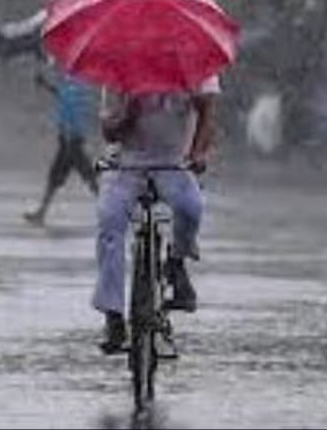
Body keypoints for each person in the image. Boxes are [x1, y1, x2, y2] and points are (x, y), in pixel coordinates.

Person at [94, 74, 220, 353]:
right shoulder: (119, 70)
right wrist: (128, 113)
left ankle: (176, 262)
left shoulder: (194, 66)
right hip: (126, 165)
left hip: (173, 164)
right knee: (110, 221)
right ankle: (113, 315)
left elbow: (207, 114)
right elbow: (109, 132)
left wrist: (199, 153)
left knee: (190, 207)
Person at [23, 67, 99, 226]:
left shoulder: (77, 87)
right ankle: (41, 213)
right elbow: (60, 94)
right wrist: (44, 84)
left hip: (72, 141)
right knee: (60, 177)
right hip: (68, 140)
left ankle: (115, 213)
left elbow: (73, 109)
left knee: (87, 178)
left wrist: (70, 134)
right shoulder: (71, 85)